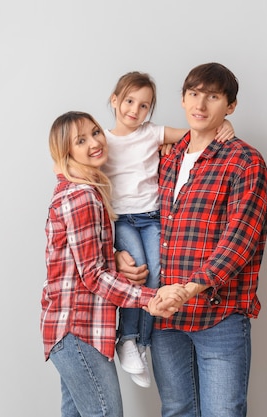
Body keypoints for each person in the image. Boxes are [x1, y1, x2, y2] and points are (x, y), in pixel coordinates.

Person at [116, 63, 267, 417]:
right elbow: (125, 203)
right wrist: (118, 250)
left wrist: (188, 288)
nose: (201, 105)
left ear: (229, 106)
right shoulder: (163, 158)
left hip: (217, 313)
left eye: (213, 97)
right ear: (183, 99)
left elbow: (240, 240)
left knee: (223, 412)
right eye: (194, 94)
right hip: (165, 317)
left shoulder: (244, 161)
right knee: (176, 409)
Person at [41, 111, 188, 417]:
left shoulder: (80, 190)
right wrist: (151, 299)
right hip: (78, 330)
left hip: (74, 331)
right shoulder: (82, 197)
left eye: (95, 132)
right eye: (81, 140)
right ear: (67, 152)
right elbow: (93, 276)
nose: (95, 142)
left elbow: (84, 262)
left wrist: (115, 255)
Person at [101, 71, 235, 388]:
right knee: (141, 272)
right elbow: (78, 164)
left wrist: (223, 126)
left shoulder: (152, 134)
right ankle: (128, 337)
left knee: (159, 273)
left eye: (144, 105)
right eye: (129, 101)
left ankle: (143, 341)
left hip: (151, 215)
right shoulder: (103, 141)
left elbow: (194, 132)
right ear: (115, 100)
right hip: (122, 218)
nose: (135, 110)